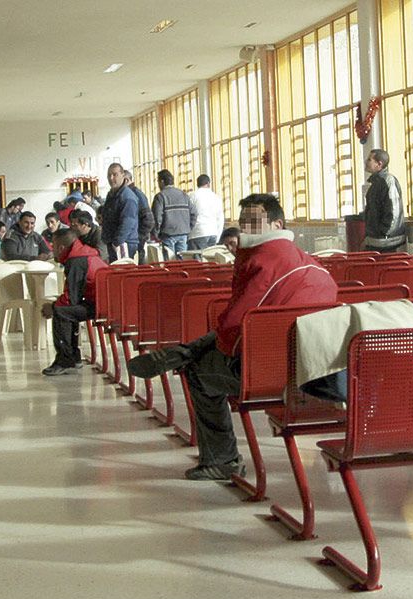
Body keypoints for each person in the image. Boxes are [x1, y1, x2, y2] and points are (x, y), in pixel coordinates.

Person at [128, 194, 336, 479]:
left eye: (253, 223)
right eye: (243, 223)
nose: (246, 229)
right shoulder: (311, 264)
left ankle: (222, 459)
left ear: (276, 224)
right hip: (312, 366)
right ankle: (184, 352)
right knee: (220, 343)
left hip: (270, 372)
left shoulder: (262, 261)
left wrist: (213, 347)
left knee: (198, 372)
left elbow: (237, 325)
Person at [42, 228, 109, 375]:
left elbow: (70, 299)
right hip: (107, 301)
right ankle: (74, 357)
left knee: (61, 311)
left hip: (105, 306)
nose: (52, 250)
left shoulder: (76, 260)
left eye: (53, 246)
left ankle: (65, 360)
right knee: (66, 309)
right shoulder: (84, 253)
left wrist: (52, 307)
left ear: (61, 247)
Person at [360, 148, 407, 252]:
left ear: (379, 164)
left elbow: (393, 210)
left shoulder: (388, 181)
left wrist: (384, 234)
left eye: (369, 160)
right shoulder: (376, 183)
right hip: (377, 239)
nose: (366, 162)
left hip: (388, 241)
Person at [100, 163, 139, 261]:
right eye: (109, 175)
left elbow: (128, 222)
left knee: (124, 273)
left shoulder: (127, 197)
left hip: (124, 243)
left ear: (123, 175)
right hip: (114, 242)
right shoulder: (112, 195)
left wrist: (117, 242)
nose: (111, 178)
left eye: (115, 174)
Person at [152, 169, 192, 257]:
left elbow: (157, 217)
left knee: (169, 262)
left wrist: (156, 233)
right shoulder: (184, 195)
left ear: (162, 181)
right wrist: (188, 228)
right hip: (183, 233)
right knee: (182, 261)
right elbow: (194, 213)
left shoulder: (160, 196)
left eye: (158, 181)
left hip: (167, 234)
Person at [125, 170, 156, 262]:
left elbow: (148, 219)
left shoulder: (136, 194)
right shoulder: (130, 194)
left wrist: (139, 237)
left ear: (126, 180)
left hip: (135, 240)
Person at [187, 174, 225, 250]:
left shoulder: (192, 196)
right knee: (210, 258)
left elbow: (188, 215)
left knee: (199, 260)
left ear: (197, 184)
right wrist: (218, 235)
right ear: (208, 183)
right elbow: (220, 217)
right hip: (213, 232)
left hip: (197, 232)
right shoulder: (216, 197)